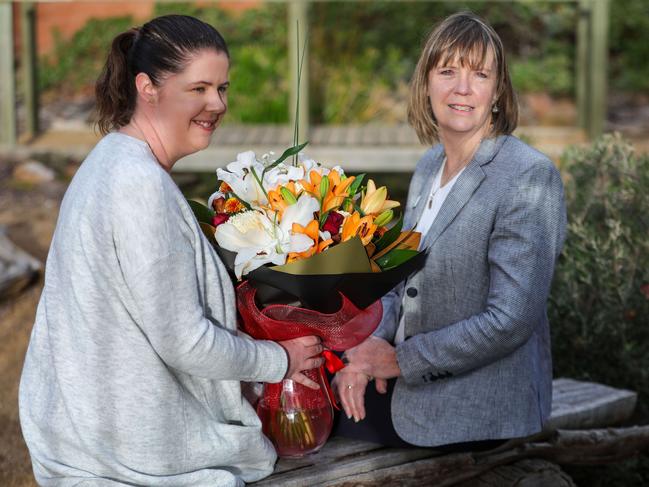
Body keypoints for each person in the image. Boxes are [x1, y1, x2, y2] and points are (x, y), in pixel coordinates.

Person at [19, 15, 324, 486]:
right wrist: (279, 359)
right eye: (198, 89)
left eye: (222, 88)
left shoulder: (111, 159)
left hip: (92, 426)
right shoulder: (139, 185)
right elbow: (186, 342)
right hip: (130, 447)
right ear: (148, 88)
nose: (216, 104)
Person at [332, 11, 567, 450]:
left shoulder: (527, 176)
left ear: (497, 91)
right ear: (426, 84)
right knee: (306, 398)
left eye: (479, 74)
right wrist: (364, 354)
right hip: (405, 383)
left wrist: (398, 361)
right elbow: (400, 284)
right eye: (447, 72)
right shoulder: (428, 168)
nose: (462, 88)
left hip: (475, 407)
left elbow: (509, 321)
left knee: (319, 430)